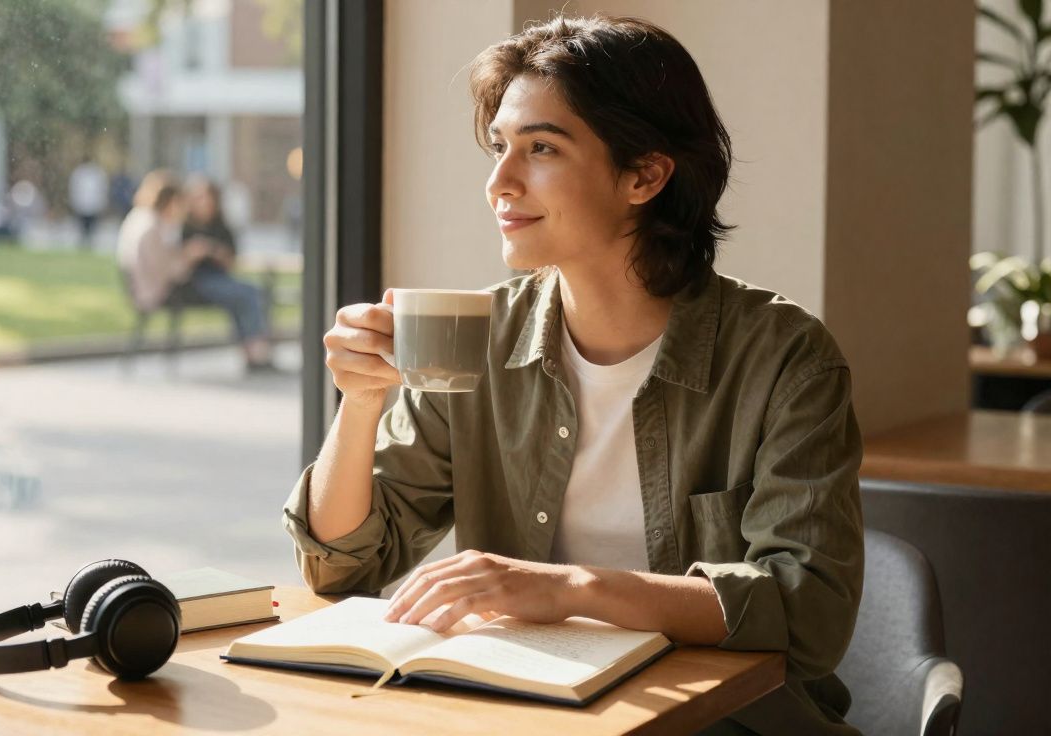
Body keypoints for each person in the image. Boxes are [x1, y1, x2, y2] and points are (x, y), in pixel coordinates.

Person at [284, 15, 863, 736]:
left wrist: (568, 589)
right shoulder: (481, 336)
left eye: (542, 148)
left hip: (725, 723)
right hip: (527, 714)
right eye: (499, 147)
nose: (500, 181)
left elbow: (808, 612)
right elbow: (343, 566)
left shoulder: (784, 359)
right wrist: (362, 402)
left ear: (644, 175)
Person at [180, 175, 275, 371]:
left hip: (220, 277)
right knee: (248, 294)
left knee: (250, 296)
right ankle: (257, 350)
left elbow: (231, 262)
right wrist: (193, 253)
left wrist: (214, 251)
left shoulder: (221, 227)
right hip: (196, 281)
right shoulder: (185, 227)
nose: (203, 203)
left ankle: (253, 353)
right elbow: (178, 262)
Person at [116, 170, 203, 314]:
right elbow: (167, 271)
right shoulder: (151, 226)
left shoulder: (138, 217)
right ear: (172, 201)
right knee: (214, 287)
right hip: (151, 291)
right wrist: (188, 257)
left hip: (142, 286)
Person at [69, 158, 109, 250]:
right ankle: (84, 243)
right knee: (84, 227)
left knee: (90, 227)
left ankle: (89, 243)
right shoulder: (80, 173)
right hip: (84, 204)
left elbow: (101, 189)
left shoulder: (95, 173)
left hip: (90, 204)